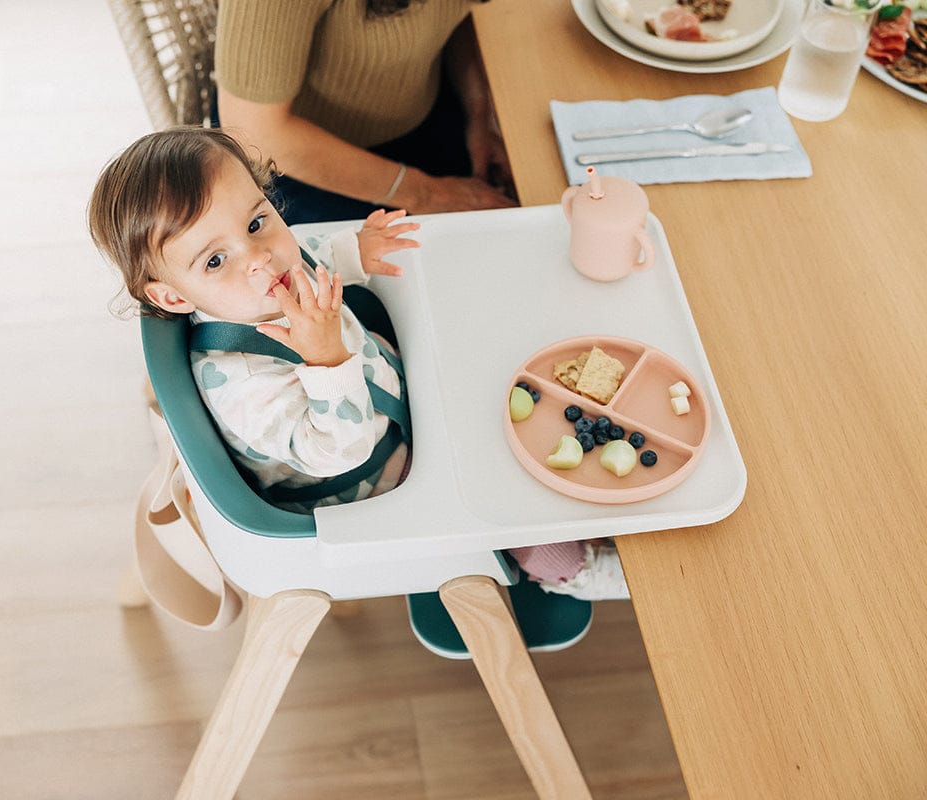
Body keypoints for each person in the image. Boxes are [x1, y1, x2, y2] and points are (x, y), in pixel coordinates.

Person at [88, 127, 627, 600]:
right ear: (176, 298)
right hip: (377, 482)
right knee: (495, 495)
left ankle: (578, 505)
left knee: (506, 397)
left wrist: (353, 252)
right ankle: (569, 570)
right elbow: (338, 453)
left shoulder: (259, 279)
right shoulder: (244, 384)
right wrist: (325, 359)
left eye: (257, 223)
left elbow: (309, 256)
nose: (260, 257)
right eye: (214, 260)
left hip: (393, 404)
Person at [214, 0, 518, 225]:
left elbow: (449, 14)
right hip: (296, 164)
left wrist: (480, 113)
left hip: (426, 110)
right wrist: (427, 195)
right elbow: (253, 131)